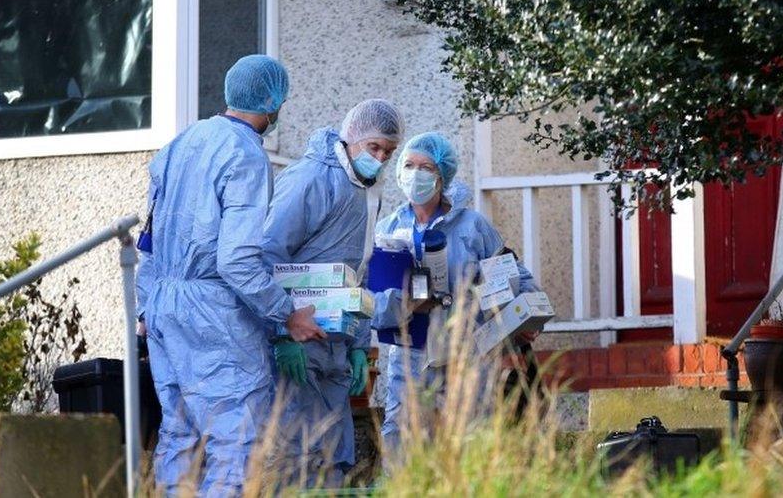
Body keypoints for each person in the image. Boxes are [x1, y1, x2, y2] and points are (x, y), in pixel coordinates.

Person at [136, 54, 325, 496]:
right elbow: (237, 260)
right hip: (212, 317)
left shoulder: (178, 146)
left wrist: (145, 307)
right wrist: (287, 314)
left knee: (178, 435)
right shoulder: (245, 156)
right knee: (237, 440)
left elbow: (148, 240)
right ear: (273, 101)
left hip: (163, 308)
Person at [370, 131, 542, 466]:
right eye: (409, 165)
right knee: (403, 448)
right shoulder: (388, 230)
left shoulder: (472, 226)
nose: (415, 174)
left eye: (426, 167)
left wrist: (524, 314)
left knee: (470, 445)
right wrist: (403, 303)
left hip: (467, 356)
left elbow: (511, 274)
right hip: (410, 358)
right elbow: (373, 304)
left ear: (442, 175)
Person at [262, 99, 404, 486]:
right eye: (374, 147)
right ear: (351, 137)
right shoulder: (310, 178)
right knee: (293, 454)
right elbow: (269, 253)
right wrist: (281, 328)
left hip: (335, 343)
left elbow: (358, 273)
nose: (380, 157)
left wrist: (359, 343)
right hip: (298, 336)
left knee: (333, 455)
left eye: (388, 152)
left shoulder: (366, 192)